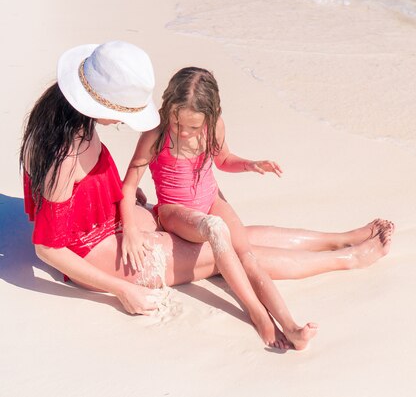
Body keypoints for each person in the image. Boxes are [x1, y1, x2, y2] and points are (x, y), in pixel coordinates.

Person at [19, 41, 393, 350]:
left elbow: (87, 192)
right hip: (94, 250)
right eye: (121, 114)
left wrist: (125, 203)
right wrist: (121, 290)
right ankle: (348, 259)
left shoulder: (62, 120)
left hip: (112, 219)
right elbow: (48, 248)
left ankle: (338, 239)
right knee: (219, 252)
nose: (122, 122)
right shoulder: (64, 157)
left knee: (234, 237)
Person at [122, 66, 324, 349]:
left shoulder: (215, 126)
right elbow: (129, 185)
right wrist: (130, 229)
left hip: (211, 199)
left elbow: (224, 159)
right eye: (178, 124)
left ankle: (291, 326)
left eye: (194, 127)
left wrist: (249, 164)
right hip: (176, 212)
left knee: (249, 258)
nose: (185, 133)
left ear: (210, 115)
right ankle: (258, 314)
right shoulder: (156, 134)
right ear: (168, 108)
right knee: (216, 228)